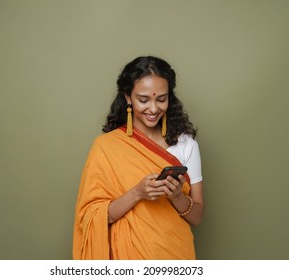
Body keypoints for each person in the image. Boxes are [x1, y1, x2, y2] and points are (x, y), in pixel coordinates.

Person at [73, 56, 204, 260]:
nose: (153, 109)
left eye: (161, 99)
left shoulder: (187, 145)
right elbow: (92, 218)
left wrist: (177, 196)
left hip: (175, 256)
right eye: (143, 100)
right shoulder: (106, 146)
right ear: (128, 97)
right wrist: (138, 193)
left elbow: (197, 217)